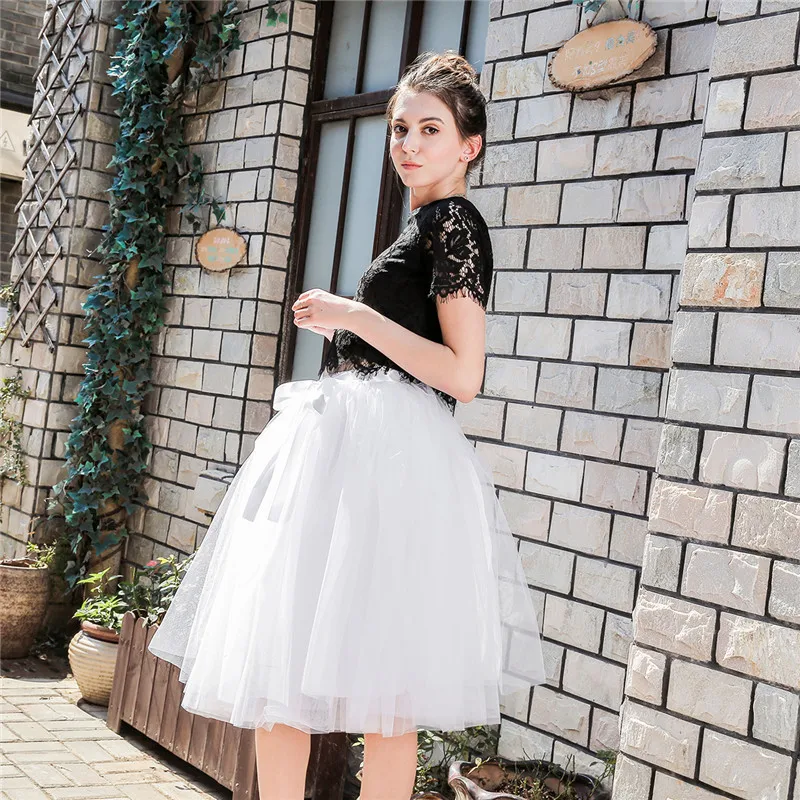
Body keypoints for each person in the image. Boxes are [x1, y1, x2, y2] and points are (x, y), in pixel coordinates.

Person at [147, 50, 546, 800]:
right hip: (353, 459)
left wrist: (354, 316)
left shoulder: (453, 222)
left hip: (383, 463)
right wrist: (350, 333)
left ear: (470, 146)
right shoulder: (423, 225)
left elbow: (463, 374)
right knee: (306, 666)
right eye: (400, 128)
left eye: (430, 129)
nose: (409, 143)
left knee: (352, 680)